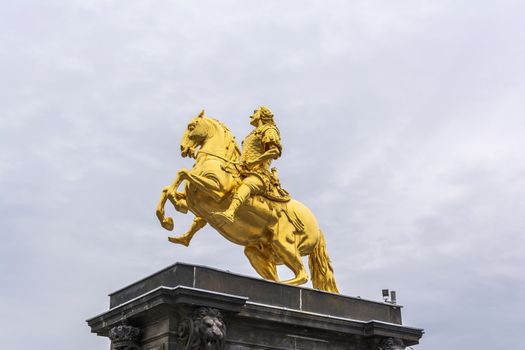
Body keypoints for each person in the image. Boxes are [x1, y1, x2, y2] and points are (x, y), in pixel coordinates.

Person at [212, 106, 285, 224]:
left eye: (255, 112)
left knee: (247, 185)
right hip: (244, 171)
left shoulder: (269, 129)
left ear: (263, 115)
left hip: (260, 174)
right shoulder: (252, 134)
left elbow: (274, 151)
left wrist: (254, 162)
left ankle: (230, 212)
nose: (252, 115)